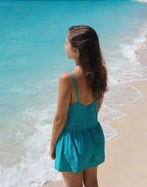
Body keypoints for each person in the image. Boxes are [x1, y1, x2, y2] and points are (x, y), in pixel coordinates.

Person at [49, 25, 108, 187]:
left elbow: (60, 118)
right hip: (93, 135)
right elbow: (97, 105)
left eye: (67, 43)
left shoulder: (67, 79)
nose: (64, 46)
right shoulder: (100, 71)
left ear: (77, 49)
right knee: (92, 184)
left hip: (72, 141)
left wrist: (53, 144)